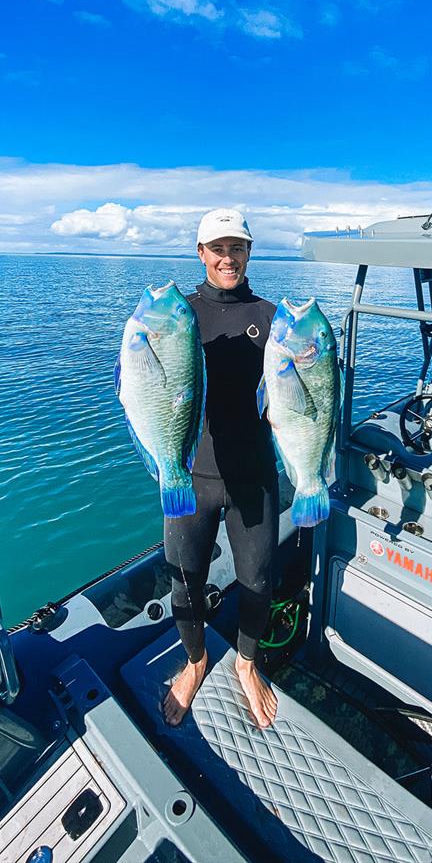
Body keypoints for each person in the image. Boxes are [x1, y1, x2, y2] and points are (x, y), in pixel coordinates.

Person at [162, 208, 279, 730]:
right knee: (185, 578)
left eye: (237, 248)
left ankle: (248, 665)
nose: (227, 258)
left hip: (254, 476)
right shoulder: (177, 315)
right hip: (193, 476)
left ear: (249, 254)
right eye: (218, 248)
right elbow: (147, 386)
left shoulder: (274, 319)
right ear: (201, 254)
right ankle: (195, 661)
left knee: (256, 578)